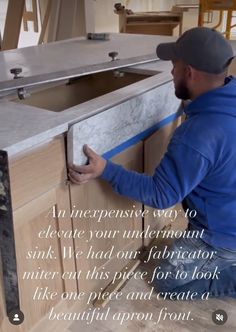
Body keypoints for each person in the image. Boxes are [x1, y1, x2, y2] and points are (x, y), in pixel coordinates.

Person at [69, 27, 236, 299]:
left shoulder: (197, 136)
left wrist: (105, 169)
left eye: (175, 66)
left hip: (222, 236)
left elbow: (161, 194)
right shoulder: (229, 94)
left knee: (166, 282)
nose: (171, 73)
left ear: (190, 73)